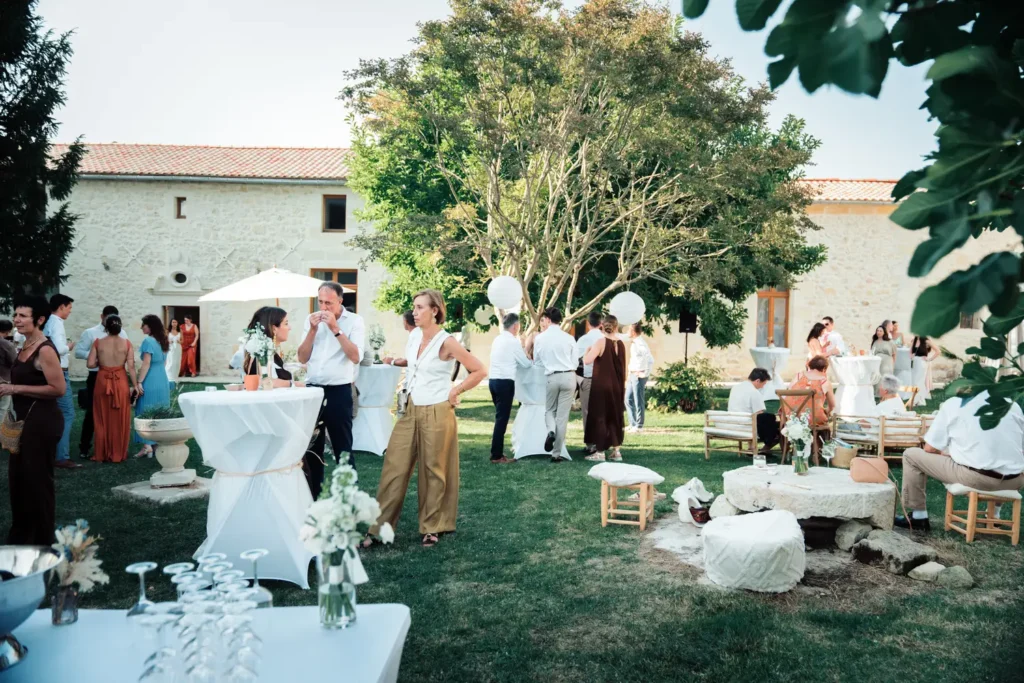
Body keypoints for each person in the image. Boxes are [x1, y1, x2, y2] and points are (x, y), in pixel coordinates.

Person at [372, 289, 486, 547]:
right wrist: (393, 361)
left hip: (437, 408)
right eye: (414, 306)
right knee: (394, 466)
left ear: (435, 311)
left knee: (433, 469)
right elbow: (414, 363)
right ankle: (379, 529)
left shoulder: (447, 342)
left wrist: (456, 390)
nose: (415, 311)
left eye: (421, 307)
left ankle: (432, 526)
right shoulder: (414, 336)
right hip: (410, 408)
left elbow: (479, 370)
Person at [895, 390, 1024, 532]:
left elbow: (930, 448)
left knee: (911, 455)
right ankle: (994, 514)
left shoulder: (955, 404)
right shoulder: (1012, 405)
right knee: (1000, 458)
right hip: (1015, 480)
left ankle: (919, 517)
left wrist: (948, 453)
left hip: (977, 478)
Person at [0, 295, 65, 545]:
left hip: (42, 422)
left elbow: (58, 389)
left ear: (39, 319)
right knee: (18, 482)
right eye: (16, 314)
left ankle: (43, 541)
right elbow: (25, 380)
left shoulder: (45, 349)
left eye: (23, 315)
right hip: (24, 421)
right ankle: (21, 537)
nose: (17, 319)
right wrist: (8, 385)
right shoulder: (25, 345)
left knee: (38, 483)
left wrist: (14, 389)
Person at [298, 282, 366, 495]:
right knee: (311, 450)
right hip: (312, 390)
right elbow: (302, 357)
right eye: (320, 302)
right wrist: (312, 330)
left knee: (343, 450)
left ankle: (349, 502)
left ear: (340, 301)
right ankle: (312, 499)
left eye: (329, 302)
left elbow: (355, 356)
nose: (324, 307)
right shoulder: (310, 320)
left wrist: (336, 329)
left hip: (339, 390)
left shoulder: (354, 321)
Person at [74, 305, 127, 459]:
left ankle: (112, 447)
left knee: (115, 411)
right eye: (107, 317)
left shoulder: (122, 333)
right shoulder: (90, 333)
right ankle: (85, 447)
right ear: (101, 316)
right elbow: (78, 352)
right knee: (92, 411)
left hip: (116, 377)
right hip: (96, 376)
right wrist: (96, 358)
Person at [87, 315, 139, 463]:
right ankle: (118, 453)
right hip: (120, 380)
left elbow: (90, 364)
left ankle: (101, 454)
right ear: (120, 327)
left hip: (103, 380)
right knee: (119, 417)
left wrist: (100, 361)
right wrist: (135, 385)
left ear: (105, 327)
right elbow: (131, 367)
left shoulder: (98, 342)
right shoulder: (127, 343)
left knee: (102, 417)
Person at [529, 307, 577, 461]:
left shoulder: (540, 339)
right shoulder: (569, 338)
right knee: (562, 417)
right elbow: (575, 361)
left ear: (548, 320)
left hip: (552, 377)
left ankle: (550, 432)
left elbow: (537, 361)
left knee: (549, 410)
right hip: (569, 376)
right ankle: (556, 454)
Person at [43, 293, 81, 469]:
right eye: (69, 308)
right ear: (61, 307)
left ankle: (51, 452)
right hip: (60, 371)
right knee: (67, 413)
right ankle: (61, 456)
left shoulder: (49, 322)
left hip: (50, 370)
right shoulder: (57, 323)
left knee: (53, 413)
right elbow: (58, 349)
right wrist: (69, 347)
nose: (70, 311)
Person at [487, 312, 531, 463]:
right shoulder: (512, 342)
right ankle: (496, 455)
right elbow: (525, 364)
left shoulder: (497, 339)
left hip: (493, 381)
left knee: (500, 418)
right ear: (515, 326)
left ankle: (496, 452)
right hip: (505, 382)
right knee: (502, 419)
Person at [583, 315, 627, 462]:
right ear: (616, 326)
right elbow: (623, 369)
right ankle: (616, 451)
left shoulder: (600, 342)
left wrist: (587, 350)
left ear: (603, 325)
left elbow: (587, 360)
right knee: (614, 416)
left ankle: (600, 451)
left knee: (600, 416)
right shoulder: (621, 344)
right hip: (617, 386)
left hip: (601, 386)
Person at [133, 315, 171, 459]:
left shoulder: (148, 341)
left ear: (150, 326)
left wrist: (139, 381)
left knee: (144, 410)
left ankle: (147, 445)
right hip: (162, 378)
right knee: (159, 411)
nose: (142, 327)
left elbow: (146, 363)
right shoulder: (164, 340)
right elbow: (165, 362)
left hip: (150, 378)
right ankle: (156, 444)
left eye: (144, 325)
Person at [244, 306, 302, 387]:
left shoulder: (268, 351)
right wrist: (294, 384)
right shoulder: (262, 353)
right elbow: (265, 381)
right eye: (286, 323)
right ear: (274, 329)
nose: (289, 328)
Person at [727, 368, 780, 455]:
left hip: (732, 421)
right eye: (764, 383)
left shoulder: (735, 388)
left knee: (764, 419)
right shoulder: (754, 392)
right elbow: (759, 412)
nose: (763, 386)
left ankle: (753, 447)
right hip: (746, 425)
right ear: (758, 381)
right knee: (774, 422)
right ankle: (766, 447)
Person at [575, 312, 604, 455]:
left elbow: (575, 360)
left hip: (588, 378)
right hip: (604, 380)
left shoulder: (583, 340)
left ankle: (591, 444)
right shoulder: (605, 339)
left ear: (588, 323)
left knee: (587, 412)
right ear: (601, 323)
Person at [784, 355, 835, 430]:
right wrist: (826, 411)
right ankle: (818, 440)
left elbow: (788, 393)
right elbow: (832, 405)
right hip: (813, 419)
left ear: (810, 366)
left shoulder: (798, 376)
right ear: (824, 369)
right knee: (822, 416)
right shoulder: (825, 382)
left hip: (792, 416)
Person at [626, 323, 654, 434]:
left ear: (633, 332)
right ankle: (632, 423)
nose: (627, 333)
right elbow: (633, 360)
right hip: (632, 374)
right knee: (627, 398)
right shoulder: (634, 343)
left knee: (638, 400)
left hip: (639, 375)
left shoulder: (640, 343)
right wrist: (629, 374)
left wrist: (645, 373)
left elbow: (650, 359)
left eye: (628, 330)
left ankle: (639, 425)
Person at [870, 325, 897, 392]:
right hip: (877, 363)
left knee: (884, 378)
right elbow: (872, 351)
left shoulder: (890, 342)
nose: (878, 332)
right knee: (877, 378)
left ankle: (885, 394)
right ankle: (877, 393)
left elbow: (894, 354)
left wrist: (893, 364)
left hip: (887, 363)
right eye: (877, 331)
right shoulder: (875, 341)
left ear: (884, 332)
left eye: (880, 331)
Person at [0, 320, 17, 423]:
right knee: (3, 409)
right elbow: (14, 363)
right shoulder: (6, 345)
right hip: (4, 380)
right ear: (8, 331)